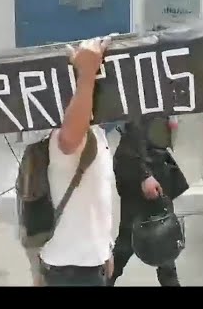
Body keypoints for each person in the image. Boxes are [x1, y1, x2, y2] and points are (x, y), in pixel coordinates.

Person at [37, 36, 115, 287]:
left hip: (86, 263)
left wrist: (106, 249)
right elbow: (69, 140)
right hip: (72, 271)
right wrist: (87, 74)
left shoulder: (94, 132)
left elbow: (96, 201)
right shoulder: (63, 135)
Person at [109, 116, 189, 286]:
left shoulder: (166, 100)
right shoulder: (148, 101)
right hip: (140, 182)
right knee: (127, 242)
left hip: (158, 175)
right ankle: (106, 279)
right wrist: (144, 175)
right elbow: (128, 147)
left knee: (165, 238)